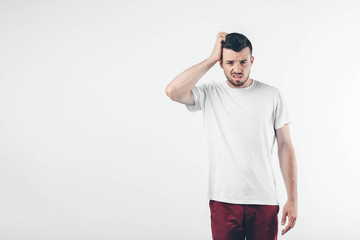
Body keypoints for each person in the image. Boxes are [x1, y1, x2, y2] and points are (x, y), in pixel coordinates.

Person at [165, 32, 297, 240]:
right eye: (230, 62)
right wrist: (210, 59)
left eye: (243, 62)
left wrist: (292, 198)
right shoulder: (210, 93)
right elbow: (173, 90)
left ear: (252, 61)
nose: (237, 69)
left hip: (264, 200)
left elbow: (285, 146)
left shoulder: (272, 95)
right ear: (221, 63)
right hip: (223, 200)